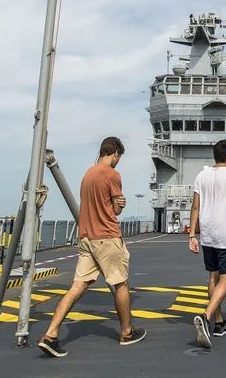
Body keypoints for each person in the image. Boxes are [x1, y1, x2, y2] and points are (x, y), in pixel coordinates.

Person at [37, 137, 146, 358]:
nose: (118, 161)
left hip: (86, 237)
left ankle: (50, 333)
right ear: (115, 152)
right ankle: (126, 332)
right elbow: (115, 211)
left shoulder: (87, 175)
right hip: (106, 237)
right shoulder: (112, 175)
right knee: (121, 284)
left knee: (77, 286)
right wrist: (120, 203)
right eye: (118, 157)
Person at [189, 139, 226, 349]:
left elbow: (195, 207)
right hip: (225, 233)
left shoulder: (201, 175)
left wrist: (192, 234)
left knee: (213, 276)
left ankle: (219, 322)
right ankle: (207, 315)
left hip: (207, 232)